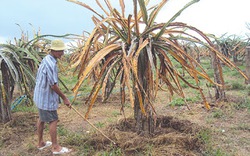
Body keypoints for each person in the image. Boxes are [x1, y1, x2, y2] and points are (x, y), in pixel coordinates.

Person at [33, 39, 72, 155]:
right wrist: (64, 98)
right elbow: (53, 85)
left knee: (41, 118)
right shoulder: (50, 64)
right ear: (54, 51)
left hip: (40, 96)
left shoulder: (47, 59)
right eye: (60, 51)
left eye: (63, 51)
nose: (62, 53)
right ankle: (55, 147)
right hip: (46, 97)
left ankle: (40, 143)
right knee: (53, 120)